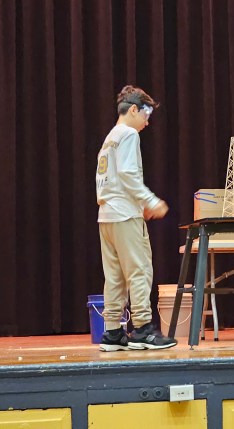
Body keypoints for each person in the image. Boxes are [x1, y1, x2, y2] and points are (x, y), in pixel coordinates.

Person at [95, 85, 177, 351]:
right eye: (145, 113)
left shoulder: (110, 138)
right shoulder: (129, 134)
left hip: (106, 216)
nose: (147, 121)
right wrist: (150, 200)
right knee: (140, 270)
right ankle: (142, 329)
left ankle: (112, 332)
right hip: (124, 215)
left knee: (115, 276)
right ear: (132, 109)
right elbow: (129, 174)